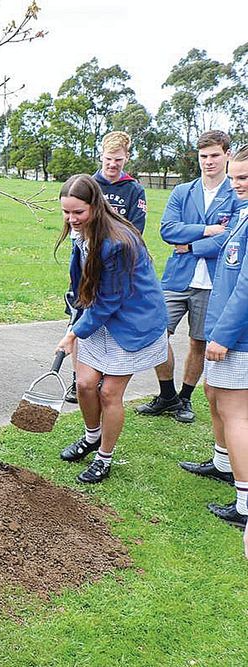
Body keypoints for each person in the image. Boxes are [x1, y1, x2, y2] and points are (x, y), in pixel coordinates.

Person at [55, 174, 168, 484]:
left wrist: (74, 333)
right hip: (99, 314)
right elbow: (84, 282)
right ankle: (92, 437)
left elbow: (111, 300)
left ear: (96, 205)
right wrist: (76, 310)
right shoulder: (83, 232)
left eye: (78, 212)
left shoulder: (116, 242)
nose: (71, 219)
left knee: (108, 393)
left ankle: (104, 458)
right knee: (84, 385)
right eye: (66, 212)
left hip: (132, 323)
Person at [136, 130, 238, 424]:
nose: (209, 162)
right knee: (156, 333)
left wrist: (191, 245)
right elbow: (168, 230)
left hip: (215, 281)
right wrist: (207, 230)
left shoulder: (236, 194)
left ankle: (185, 398)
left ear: (227, 155)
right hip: (177, 278)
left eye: (215, 155)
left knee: (198, 342)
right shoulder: (183, 191)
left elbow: (231, 238)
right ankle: (166, 394)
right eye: (203, 156)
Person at [65, 131, 150, 402]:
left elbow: (135, 231)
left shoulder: (133, 189)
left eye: (118, 160)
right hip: (86, 260)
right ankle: (78, 379)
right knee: (80, 315)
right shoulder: (88, 185)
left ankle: (104, 374)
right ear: (101, 156)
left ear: (127, 158)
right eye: (108, 159)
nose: (113, 165)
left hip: (114, 262)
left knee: (107, 314)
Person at [192, 146, 248, 531]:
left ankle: (244, 502)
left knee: (236, 414)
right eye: (233, 177)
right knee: (215, 397)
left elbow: (245, 287)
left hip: (239, 338)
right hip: (226, 329)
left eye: (243, 177)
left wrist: (223, 336)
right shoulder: (243, 216)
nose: (236, 184)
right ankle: (223, 464)